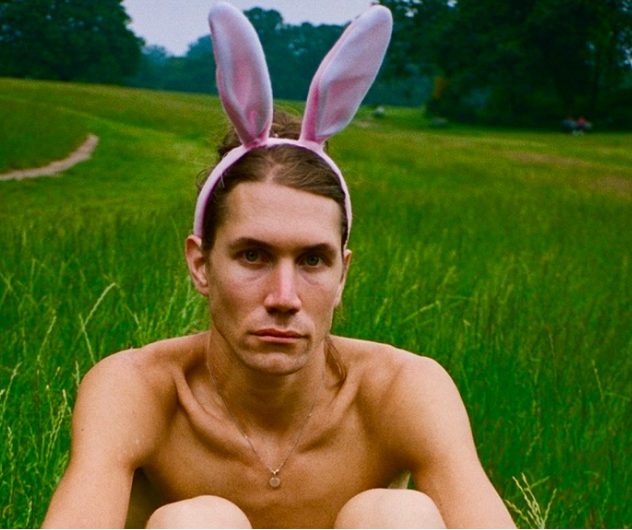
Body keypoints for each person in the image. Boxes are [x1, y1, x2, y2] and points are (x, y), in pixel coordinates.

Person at [42, 3, 515, 528]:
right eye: (253, 256)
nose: (284, 297)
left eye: (312, 260)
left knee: (395, 513)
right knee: (198, 522)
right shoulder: (139, 390)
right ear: (200, 265)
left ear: (342, 274)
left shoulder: (401, 389)